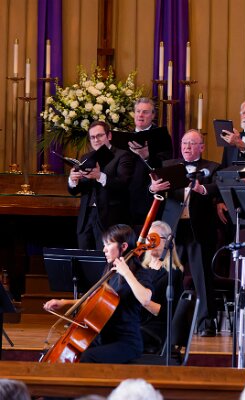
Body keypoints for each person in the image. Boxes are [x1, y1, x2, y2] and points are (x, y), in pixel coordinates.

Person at [43, 224, 154, 364]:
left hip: (126, 343)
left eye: (108, 244)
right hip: (104, 338)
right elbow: (94, 302)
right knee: (70, 353)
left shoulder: (139, 272)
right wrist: (64, 302)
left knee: (87, 358)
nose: (104, 249)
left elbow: (145, 299)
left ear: (124, 246)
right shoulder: (110, 271)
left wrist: (126, 273)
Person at [150, 129, 220, 337]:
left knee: (202, 278)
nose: (187, 147)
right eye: (184, 143)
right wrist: (153, 188)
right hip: (174, 229)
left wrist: (202, 190)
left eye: (192, 143)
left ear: (201, 147)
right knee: (170, 277)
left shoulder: (212, 167)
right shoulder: (169, 165)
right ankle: (168, 322)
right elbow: (155, 188)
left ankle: (206, 323)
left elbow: (218, 188)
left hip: (199, 230)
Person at [68, 120, 134, 250]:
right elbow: (75, 191)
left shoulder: (122, 155)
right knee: (84, 256)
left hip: (108, 218)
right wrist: (73, 180)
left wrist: (99, 176)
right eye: (92, 137)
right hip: (86, 217)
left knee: (104, 257)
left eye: (99, 135)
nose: (96, 140)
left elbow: (123, 185)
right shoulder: (85, 158)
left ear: (109, 136)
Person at [124, 98, 173, 232]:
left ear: (153, 115)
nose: (140, 115)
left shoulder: (161, 136)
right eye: (138, 111)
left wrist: (147, 156)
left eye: (145, 112)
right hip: (125, 200)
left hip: (149, 198)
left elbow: (165, 164)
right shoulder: (125, 135)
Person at [140, 220, 184, 353]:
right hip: (136, 322)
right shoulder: (141, 269)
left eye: (155, 238)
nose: (150, 242)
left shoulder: (173, 273)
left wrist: (142, 300)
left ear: (167, 242)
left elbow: (169, 313)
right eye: (148, 238)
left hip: (155, 330)